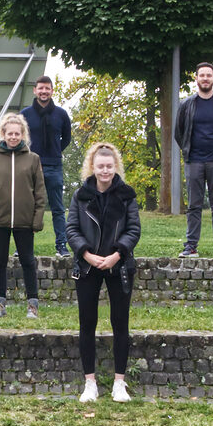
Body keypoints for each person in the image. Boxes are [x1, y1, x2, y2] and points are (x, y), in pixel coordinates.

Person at [66, 142, 142, 403]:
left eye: (109, 166)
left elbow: (133, 229)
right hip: (88, 266)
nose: (105, 170)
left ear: (115, 166)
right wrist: (86, 253)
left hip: (118, 265)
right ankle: (90, 383)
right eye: (101, 166)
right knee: (87, 324)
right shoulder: (80, 196)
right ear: (92, 167)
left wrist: (116, 255)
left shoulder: (127, 195)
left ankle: (119, 383)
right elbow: (71, 229)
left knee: (120, 323)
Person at [0, 113, 47, 318]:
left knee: (27, 261)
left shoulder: (33, 160)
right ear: (4, 134)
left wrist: (37, 220)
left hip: (25, 221)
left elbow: (40, 192)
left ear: (23, 134)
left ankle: (32, 305)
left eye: (17, 133)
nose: (14, 137)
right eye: (10, 133)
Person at [173, 62, 213, 258]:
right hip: (194, 161)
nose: (205, 78)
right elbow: (179, 132)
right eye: (202, 75)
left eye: (209, 75)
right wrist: (188, 152)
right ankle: (190, 246)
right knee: (194, 206)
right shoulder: (186, 104)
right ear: (196, 78)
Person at [22, 76, 73, 258]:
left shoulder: (61, 114)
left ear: (52, 91)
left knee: (58, 208)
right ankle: (24, 247)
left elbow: (66, 138)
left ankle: (61, 245)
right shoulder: (25, 114)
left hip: (54, 166)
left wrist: (55, 151)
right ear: (35, 90)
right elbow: (20, 139)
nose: (44, 92)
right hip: (30, 166)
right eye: (41, 88)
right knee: (28, 207)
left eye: (47, 88)